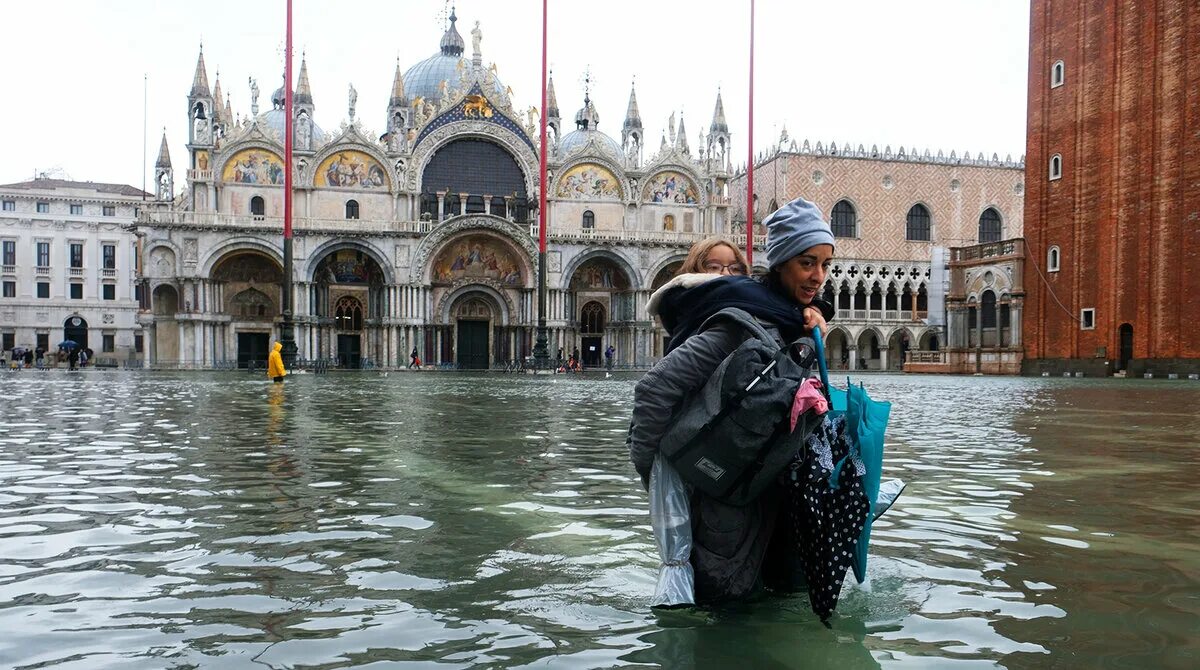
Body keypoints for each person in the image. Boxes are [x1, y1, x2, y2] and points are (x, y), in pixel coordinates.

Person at [629, 196, 835, 604]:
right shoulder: (739, 324)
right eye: (806, 262)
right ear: (779, 263)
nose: (818, 276)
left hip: (777, 507)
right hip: (725, 516)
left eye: (825, 265)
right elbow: (654, 389)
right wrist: (654, 473)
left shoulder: (794, 322)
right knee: (725, 617)